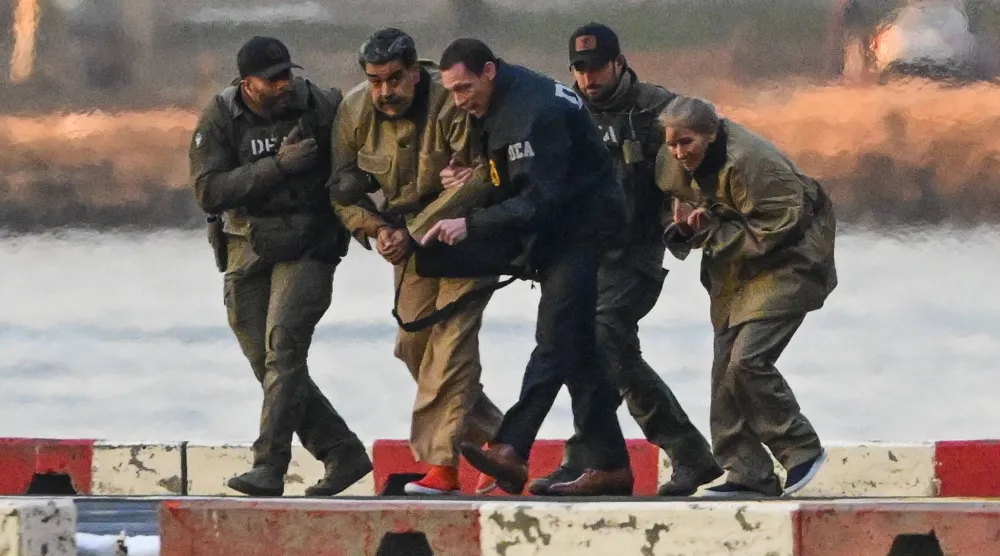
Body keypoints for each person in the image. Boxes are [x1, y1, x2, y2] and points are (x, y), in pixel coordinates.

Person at [425, 38, 633, 496]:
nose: (459, 101)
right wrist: (468, 179)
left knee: (554, 337)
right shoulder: (493, 107)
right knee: (577, 352)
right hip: (554, 232)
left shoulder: (536, 111)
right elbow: (507, 177)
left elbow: (542, 199)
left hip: (583, 229)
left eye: (464, 88)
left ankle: (511, 448)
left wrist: (472, 223)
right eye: (452, 93)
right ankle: (611, 465)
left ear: (489, 71)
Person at [526, 22, 723, 497]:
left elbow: (704, 159)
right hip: (581, 254)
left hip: (635, 251)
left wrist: (688, 203)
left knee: (603, 335)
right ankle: (591, 457)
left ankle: (678, 452)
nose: (588, 79)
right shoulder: (562, 111)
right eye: (579, 69)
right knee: (579, 343)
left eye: (595, 68)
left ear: (618, 63)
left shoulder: (658, 109)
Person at [189, 36, 372, 497]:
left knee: (284, 351)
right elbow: (209, 191)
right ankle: (341, 451)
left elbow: (357, 163)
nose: (284, 84)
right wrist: (278, 166)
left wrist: (352, 189)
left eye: (287, 74)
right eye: (272, 79)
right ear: (245, 82)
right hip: (245, 246)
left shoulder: (323, 105)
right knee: (264, 363)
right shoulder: (219, 116)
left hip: (309, 245)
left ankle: (269, 466)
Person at [328, 28, 503, 496]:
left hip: (466, 236)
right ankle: (502, 442)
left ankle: (441, 469)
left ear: (415, 71)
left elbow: (481, 178)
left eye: (394, 79)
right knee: (414, 346)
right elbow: (341, 188)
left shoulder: (452, 100)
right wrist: (376, 229)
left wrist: (414, 229)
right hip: (406, 245)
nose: (385, 91)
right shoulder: (354, 110)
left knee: (452, 347)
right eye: (375, 81)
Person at [657, 95, 836, 497]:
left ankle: (801, 449)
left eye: (687, 143)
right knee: (724, 369)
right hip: (735, 268)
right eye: (672, 144)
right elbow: (677, 204)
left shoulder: (755, 163)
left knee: (749, 359)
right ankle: (747, 472)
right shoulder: (670, 162)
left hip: (792, 259)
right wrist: (685, 229)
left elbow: (780, 226)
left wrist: (713, 229)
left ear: (711, 134)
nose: (679, 153)